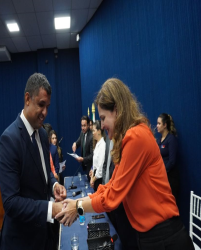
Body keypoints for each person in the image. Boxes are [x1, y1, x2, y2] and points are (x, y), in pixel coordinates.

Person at [56, 78, 194, 250]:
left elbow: (112, 198)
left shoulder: (136, 136)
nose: (103, 124)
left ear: (117, 109)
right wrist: (78, 202)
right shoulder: (129, 139)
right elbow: (110, 187)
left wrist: (78, 207)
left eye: (103, 118)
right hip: (151, 237)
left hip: (165, 237)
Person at [0, 73, 66, 250]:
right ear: (28, 99)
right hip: (22, 241)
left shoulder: (42, 134)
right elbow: (11, 202)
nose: (45, 113)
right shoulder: (9, 139)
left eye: (47, 106)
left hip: (44, 235)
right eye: (41, 105)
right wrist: (51, 209)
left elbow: (45, 172)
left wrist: (53, 185)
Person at [102, 136, 138, 250]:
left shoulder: (127, 154)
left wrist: (81, 205)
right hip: (118, 209)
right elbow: (111, 182)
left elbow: (118, 189)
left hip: (125, 211)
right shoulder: (117, 156)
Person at [157, 113, 179, 200]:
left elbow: (172, 161)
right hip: (162, 179)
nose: (157, 126)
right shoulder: (159, 140)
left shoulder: (171, 139)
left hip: (171, 179)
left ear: (165, 125)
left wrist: (162, 172)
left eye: (159, 123)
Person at [89, 120, 106, 191]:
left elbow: (100, 168)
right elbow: (95, 164)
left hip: (99, 180)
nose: (92, 133)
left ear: (99, 131)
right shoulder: (97, 144)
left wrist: (93, 179)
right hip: (95, 178)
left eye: (94, 131)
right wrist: (92, 174)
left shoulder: (102, 145)